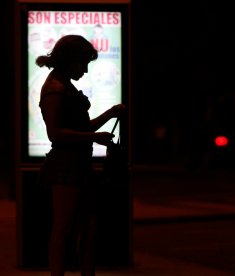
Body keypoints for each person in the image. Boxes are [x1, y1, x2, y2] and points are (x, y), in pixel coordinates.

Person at [36, 34, 126, 276]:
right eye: (83, 63)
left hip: (78, 165)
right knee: (64, 228)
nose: (86, 70)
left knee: (89, 227)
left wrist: (110, 113)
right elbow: (55, 133)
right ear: (69, 60)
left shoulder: (63, 84)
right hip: (66, 167)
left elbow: (81, 128)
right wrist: (93, 138)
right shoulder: (55, 89)